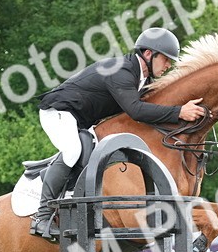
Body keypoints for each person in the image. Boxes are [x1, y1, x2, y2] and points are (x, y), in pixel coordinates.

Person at [30, 27, 205, 240]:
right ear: (149, 54)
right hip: (58, 111)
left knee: (88, 153)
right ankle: (42, 215)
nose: (168, 65)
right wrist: (180, 112)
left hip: (82, 119)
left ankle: (70, 196)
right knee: (73, 151)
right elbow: (136, 111)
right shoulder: (121, 70)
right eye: (166, 59)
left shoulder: (143, 79)